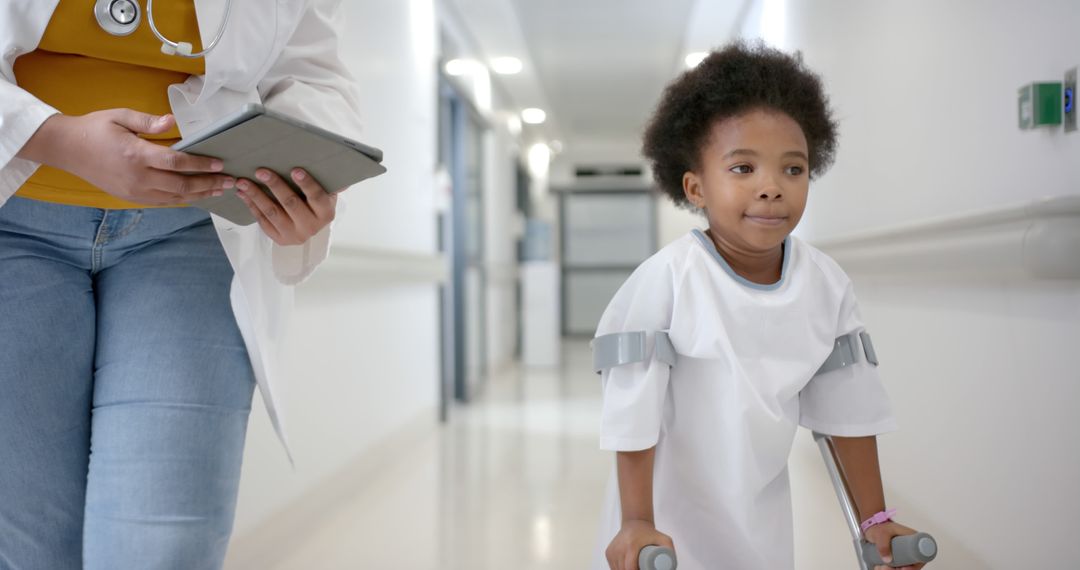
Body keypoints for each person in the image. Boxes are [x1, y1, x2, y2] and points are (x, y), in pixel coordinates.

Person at [0, 1, 362, 567]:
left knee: (162, 550)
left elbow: (310, 71)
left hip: (193, 235)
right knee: (32, 550)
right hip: (11, 225)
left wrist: (299, 180)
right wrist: (59, 140)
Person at [591, 41, 929, 570]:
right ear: (695, 187)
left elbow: (849, 407)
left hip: (759, 512)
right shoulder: (670, 280)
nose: (772, 188)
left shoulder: (823, 285)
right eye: (743, 168)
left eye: (793, 170)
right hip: (661, 523)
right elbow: (635, 408)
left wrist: (874, 520)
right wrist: (635, 519)